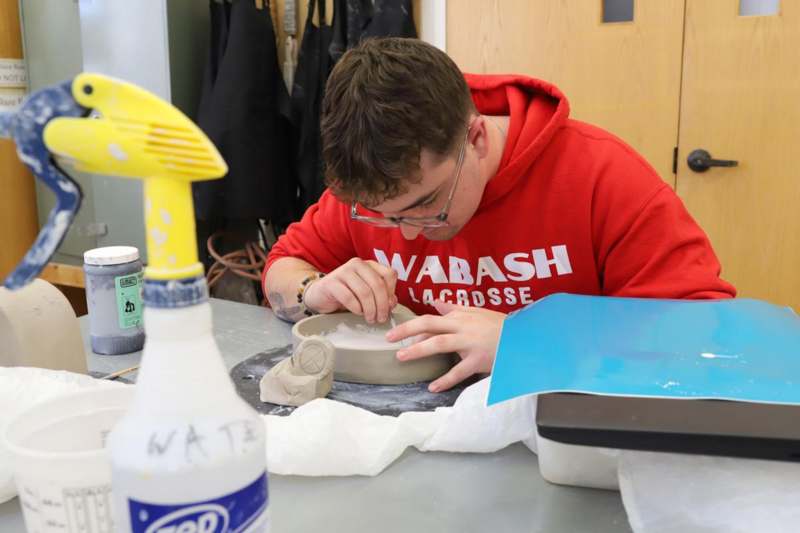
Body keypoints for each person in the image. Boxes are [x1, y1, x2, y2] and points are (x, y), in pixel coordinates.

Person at [262, 37, 736, 393]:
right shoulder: (379, 185)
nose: (405, 233)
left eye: (426, 205)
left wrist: (530, 345)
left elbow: (703, 332)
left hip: (561, 436)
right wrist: (313, 291)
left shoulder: (603, 177)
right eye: (380, 216)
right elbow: (282, 267)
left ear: (477, 138)